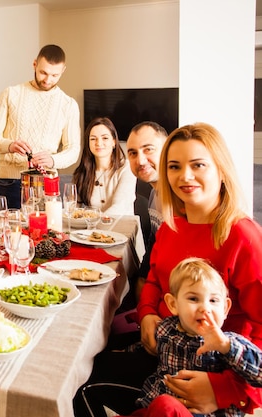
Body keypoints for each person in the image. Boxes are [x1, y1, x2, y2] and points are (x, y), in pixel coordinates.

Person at [74, 122, 262, 417]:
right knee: (77, 369)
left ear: (221, 169)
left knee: (81, 385)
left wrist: (225, 390)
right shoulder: (172, 225)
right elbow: (154, 280)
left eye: (198, 165)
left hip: (213, 371)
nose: (185, 176)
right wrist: (147, 313)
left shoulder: (243, 237)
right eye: (174, 167)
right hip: (164, 353)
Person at [120, 257, 262, 417]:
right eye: (193, 299)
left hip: (199, 413)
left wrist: (226, 346)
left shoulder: (229, 343)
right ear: (173, 304)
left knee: (165, 404)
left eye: (213, 300)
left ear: (225, 308)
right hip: (154, 407)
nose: (205, 308)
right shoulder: (166, 329)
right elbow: (146, 347)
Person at [0, 44, 81, 209]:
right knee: (7, 232)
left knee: (46, 233)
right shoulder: (11, 94)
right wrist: (10, 145)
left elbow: (73, 150)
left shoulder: (68, 104)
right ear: (34, 64)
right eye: (43, 72)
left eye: (54, 75)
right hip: (10, 182)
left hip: (46, 184)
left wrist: (52, 159)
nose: (47, 80)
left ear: (63, 70)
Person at [121, 121, 168, 306]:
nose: (140, 160)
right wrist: (141, 278)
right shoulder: (153, 194)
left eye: (148, 149)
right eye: (133, 153)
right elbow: (153, 244)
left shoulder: (181, 200)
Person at [72, 117, 136, 215]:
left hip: (123, 228)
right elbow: (73, 210)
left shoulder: (127, 168)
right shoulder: (82, 172)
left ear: (114, 142)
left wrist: (93, 222)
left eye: (105, 138)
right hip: (92, 229)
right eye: (93, 139)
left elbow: (119, 207)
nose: (99, 143)